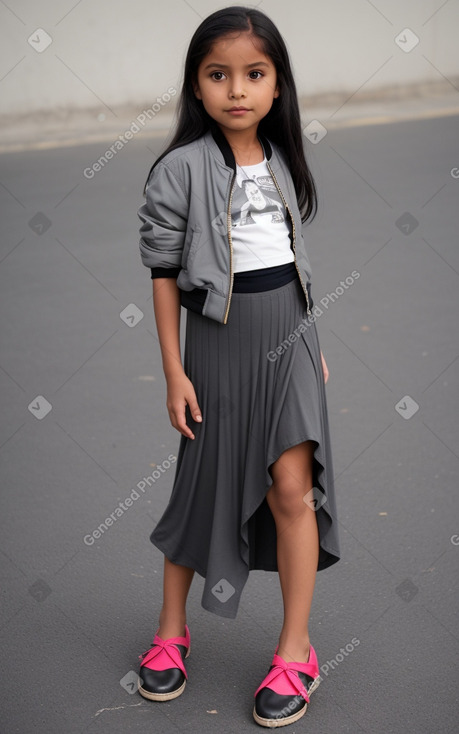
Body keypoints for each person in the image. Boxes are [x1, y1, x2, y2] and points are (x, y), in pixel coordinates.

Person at [136, 5, 340, 728]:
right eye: (218, 75)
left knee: (292, 487)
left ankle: (296, 650)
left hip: (288, 333)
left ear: (277, 85)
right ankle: (170, 632)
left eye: (254, 74)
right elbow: (163, 272)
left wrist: (311, 346)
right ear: (196, 85)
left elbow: (294, 264)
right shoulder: (178, 169)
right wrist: (173, 371)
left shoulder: (284, 158)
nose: (236, 90)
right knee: (201, 483)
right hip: (217, 346)